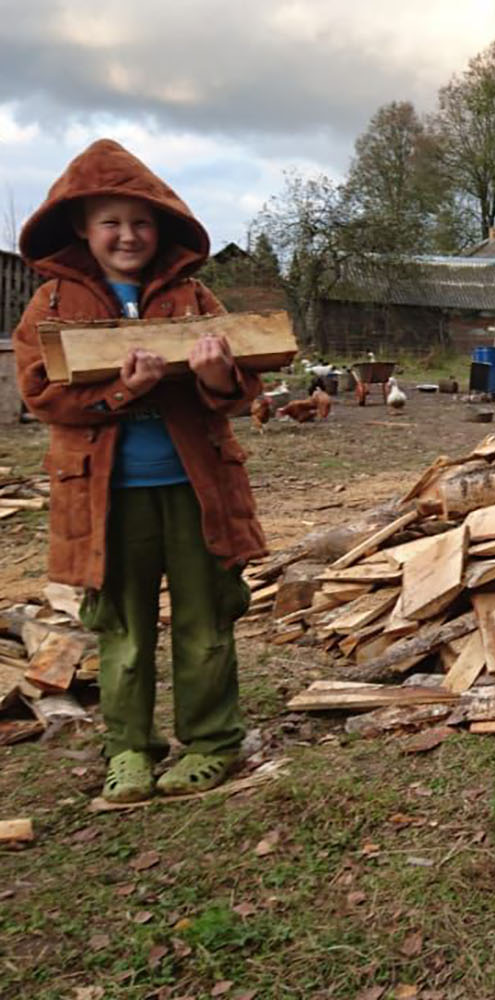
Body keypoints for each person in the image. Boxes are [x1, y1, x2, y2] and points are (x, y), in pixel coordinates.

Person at [12, 139, 268, 803]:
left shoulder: (192, 298)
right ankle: (129, 749)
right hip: (106, 499)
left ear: (164, 227)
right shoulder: (53, 306)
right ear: (80, 228)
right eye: (111, 223)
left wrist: (217, 377)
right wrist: (123, 391)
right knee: (120, 630)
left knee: (205, 622)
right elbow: (41, 394)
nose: (128, 236)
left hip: (194, 490)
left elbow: (241, 389)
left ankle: (211, 744)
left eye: (142, 222)